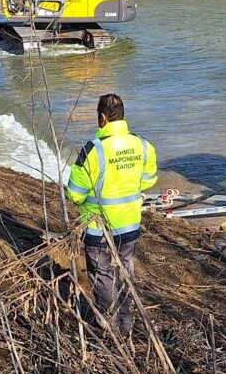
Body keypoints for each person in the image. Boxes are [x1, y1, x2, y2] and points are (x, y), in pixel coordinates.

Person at [66, 93, 158, 336]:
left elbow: (74, 193)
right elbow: (149, 180)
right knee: (125, 271)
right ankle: (126, 323)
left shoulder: (93, 150)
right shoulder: (143, 145)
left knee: (102, 275)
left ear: (102, 118)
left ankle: (110, 326)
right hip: (130, 224)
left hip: (98, 227)